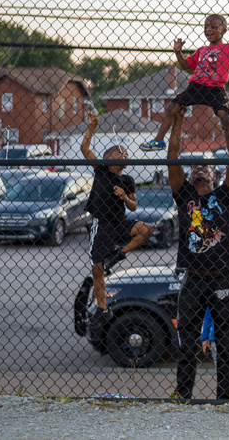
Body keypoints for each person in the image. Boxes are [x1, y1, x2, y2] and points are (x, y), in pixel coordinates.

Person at [168, 106, 229, 400]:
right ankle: (183, 393)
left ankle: (224, 398)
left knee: (226, 343)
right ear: (188, 177)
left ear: (214, 177)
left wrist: (226, 122)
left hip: (223, 277)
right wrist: (177, 122)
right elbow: (172, 158)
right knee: (186, 342)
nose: (200, 167)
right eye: (195, 166)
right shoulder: (183, 195)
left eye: (207, 166)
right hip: (194, 277)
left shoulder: (225, 196)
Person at [141, 14, 229, 151]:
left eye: (213, 27)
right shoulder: (201, 51)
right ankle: (158, 141)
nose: (208, 29)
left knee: (224, 116)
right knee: (172, 108)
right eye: (206, 27)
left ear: (224, 30)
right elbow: (185, 65)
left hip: (216, 88)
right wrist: (178, 53)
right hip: (196, 87)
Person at [81, 110, 152, 325]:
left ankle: (119, 254)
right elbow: (85, 149)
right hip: (102, 223)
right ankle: (102, 309)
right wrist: (93, 126)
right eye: (123, 153)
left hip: (119, 222)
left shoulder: (128, 180)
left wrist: (123, 197)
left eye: (127, 154)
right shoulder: (101, 170)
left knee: (146, 229)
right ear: (110, 157)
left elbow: (133, 205)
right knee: (97, 268)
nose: (127, 156)